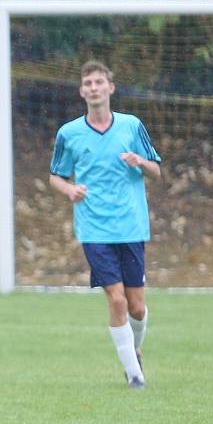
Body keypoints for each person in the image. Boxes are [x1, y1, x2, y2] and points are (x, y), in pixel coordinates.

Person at [49, 60, 161, 389]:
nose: (94, 87)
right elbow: (55, 177)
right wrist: (69, 189)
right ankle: (135, 375)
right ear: (82, 91)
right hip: (94, 228)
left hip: (132, 225)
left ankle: (135, 349)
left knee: (137, 307)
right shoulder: (69, 133)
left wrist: (140, 161)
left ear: (110, 88)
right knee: (116, 299)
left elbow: (157, 171)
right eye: (89, 83)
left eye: (100, 82)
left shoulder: (131, 126)